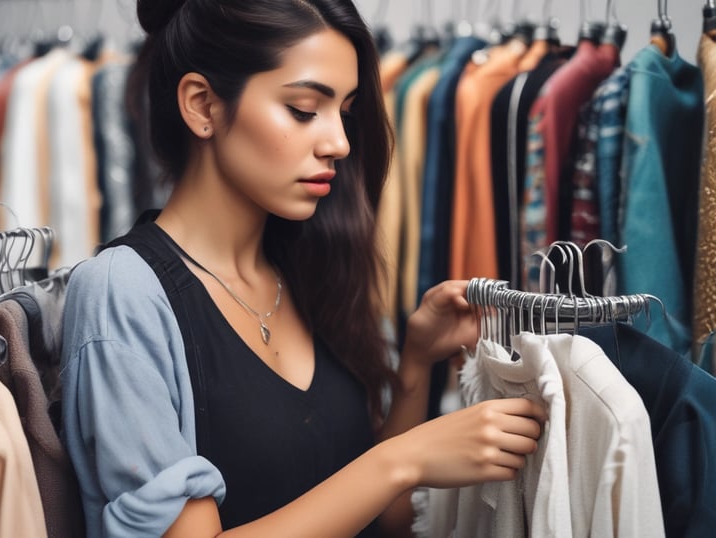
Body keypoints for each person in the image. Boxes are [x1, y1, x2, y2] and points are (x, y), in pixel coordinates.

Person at [59, 1, 546, 536]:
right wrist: (403, 459)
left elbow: (385, 519)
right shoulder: (123, 293)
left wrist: (414, 367)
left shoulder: (309, 269)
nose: (338, 142)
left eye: (346, 111)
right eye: (304, 108)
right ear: (202, 105)